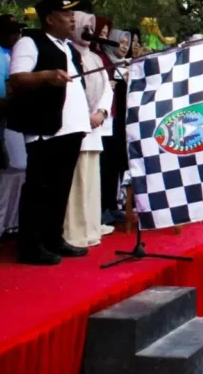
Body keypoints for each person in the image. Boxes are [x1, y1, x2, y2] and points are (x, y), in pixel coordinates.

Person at [8, 0, 91, 265]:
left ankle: (53, 237)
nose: (72, 19)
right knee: (39, 187)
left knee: (60, 187)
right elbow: (17, 79)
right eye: (66, 13)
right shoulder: (30, 41)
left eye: (73, 14)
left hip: (71, 129)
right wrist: (45, 77)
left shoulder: (69, 47)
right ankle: (31, 246)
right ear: (49, 18)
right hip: (45, 129)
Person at [63, 12, 114, 248]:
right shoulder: (65, 54)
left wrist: (101, 114)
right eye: (85, 27)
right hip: (73, 127)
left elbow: (107, 90)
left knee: (92, 182)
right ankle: (73, 233)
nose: (88, 33)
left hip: (94, 128)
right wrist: (84, 117)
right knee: (75, 183)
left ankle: (92, 229)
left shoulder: (95, 57)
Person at [0, 14, 24, 245]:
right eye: (11, 31)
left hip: (2, 126)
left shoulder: (12, 55)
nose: (16, 35)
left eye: (18, 31)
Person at [100, 29, 131, 224]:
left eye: (127, 43)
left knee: (117, 164)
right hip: (107, 120)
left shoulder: (124, 65)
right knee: (106, 165)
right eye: (121, 42)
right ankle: (102, 207)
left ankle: (112, 205)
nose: (125, 46)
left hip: (121, 122)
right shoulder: (103, 61)